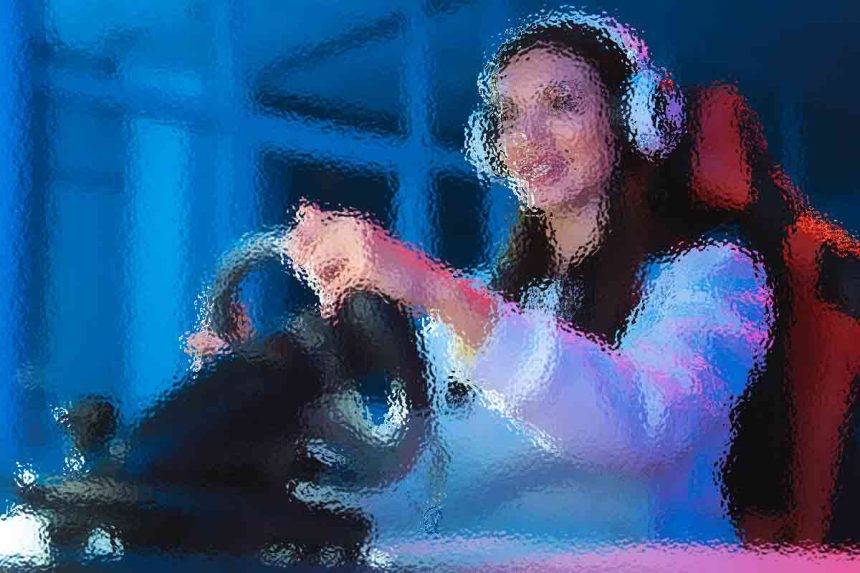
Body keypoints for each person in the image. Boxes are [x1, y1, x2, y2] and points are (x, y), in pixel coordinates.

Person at [280, 11, 776, 546]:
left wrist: (434, 289)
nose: (528, 137)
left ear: (633, 120)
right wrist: (278, 429)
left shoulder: (715, 276)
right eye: (509, 117)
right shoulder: (475, 309)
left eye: (560, 104)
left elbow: (639, 426)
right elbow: (413, 491)